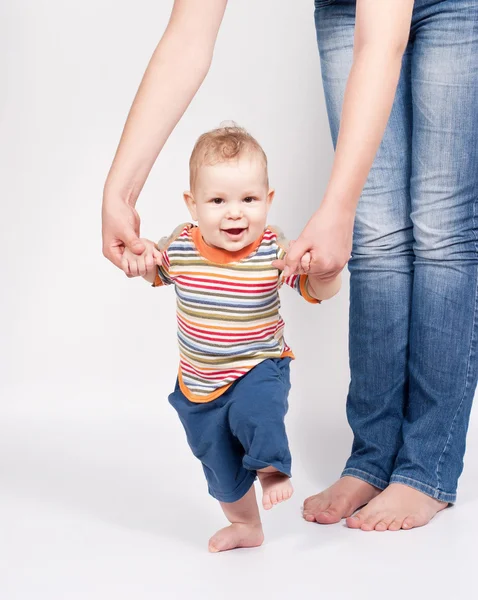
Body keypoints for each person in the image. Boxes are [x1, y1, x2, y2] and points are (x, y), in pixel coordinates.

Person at [102, 0, 478, 531]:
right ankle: (372, 459)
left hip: (453, 9)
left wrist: (337, 207)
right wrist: (119, 191)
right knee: (375, 232)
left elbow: (383, 41)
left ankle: (425, 470)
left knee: (439, 227)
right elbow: (188, 36)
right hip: (349, 10)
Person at [120, 125, 341, 552]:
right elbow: (152, 270)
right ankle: (246, 526)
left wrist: (326, 274)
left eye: (248, 200)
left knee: (255, 410)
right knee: (217, 463)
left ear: (268, 201)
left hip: (260, 364)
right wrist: (137, 258)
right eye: (218, 201)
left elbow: (315, 290)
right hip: (199, 385)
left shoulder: (273, 248)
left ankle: (273, 466)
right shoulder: (181, 247)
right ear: (193, 205)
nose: (235, 213)